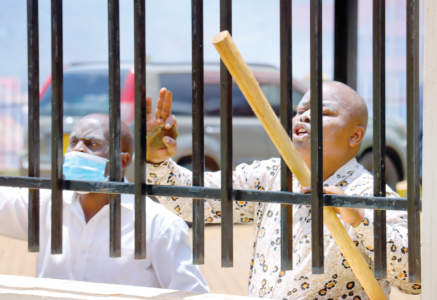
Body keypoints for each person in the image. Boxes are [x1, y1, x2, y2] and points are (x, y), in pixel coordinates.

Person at [145, 84, 421, 299]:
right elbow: (194, 200)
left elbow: (415, 280)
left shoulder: (371, 194)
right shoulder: (272, 175)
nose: (305, 116)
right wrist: (157, 162)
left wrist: (360, 220)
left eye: (323, 112)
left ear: (355, 136)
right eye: (300, 111)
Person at [0, 114, 208, 293]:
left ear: (122, 161)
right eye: (74, 142)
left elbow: (190, 294)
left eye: (92, 144)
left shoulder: (159, 225)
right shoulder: (47, 205)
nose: (78, 150)